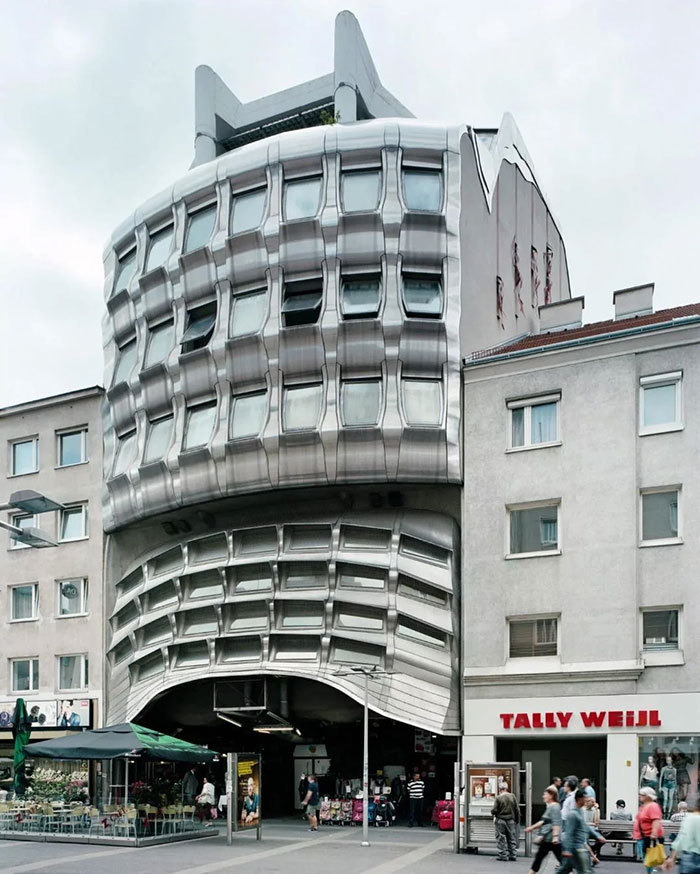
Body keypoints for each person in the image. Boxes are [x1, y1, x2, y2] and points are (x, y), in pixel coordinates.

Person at [525, 786, 562, 873]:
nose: (543, 796)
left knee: (560, 860)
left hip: (551, 839)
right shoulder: (550, 807)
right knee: (539, 857)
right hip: (547, 838)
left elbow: (556, 822)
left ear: (551, 795)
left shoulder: (555, 807)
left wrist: (555, 836)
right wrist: (531, 828)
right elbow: (543, 821)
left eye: (545, 794)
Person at [663, 797, 700, 874]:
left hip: (686, 858)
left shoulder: (689, 818)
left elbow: (679, 839)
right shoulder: (696, 819)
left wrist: (672, 858)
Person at [561, 788, 593, 874]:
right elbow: (569, 832)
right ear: (579, 799)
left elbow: (585, 826)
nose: (586, 800)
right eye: (585, 798)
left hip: (578, 846)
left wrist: (597, 836)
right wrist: (567, 849)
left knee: (564, 870)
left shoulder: (581, 812)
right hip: (576, 847)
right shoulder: (573, 814)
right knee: (586, 871)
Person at [635, 786, 665, 874]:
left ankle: (652, 871)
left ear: (648, 796)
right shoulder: (644, 806)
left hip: (649, 836)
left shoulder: (652, 806)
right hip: (643, 835)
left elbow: (656, 820)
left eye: (641, 795)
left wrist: (654, 833)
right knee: (648, 858)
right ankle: (651, 871)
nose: (639, 796)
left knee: (650, 857)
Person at [492, 780, 520, 861]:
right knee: (511, 838)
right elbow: (517, 809)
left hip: (501, 820)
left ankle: (503, 855)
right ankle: (513, 854)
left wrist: (492, 813)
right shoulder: (512, 796)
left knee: (501, 838)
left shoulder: (498, 798)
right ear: (507, 788)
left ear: (500, 789)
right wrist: (517, 820)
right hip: (511, 820)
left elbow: (494, 810)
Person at [583, 796, 607, 863]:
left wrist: (596, 810)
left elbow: (596, 823)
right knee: (585, 842)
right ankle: (592, 856)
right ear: (587, 802)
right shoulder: (582, 810)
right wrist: (591, 824)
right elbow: (583, 823)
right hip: (584, 830)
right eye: (592, 802)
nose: (594, 803)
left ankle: (592, 849)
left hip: (593, 830)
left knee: (602, 841)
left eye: (594, 802)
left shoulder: (595, 810)